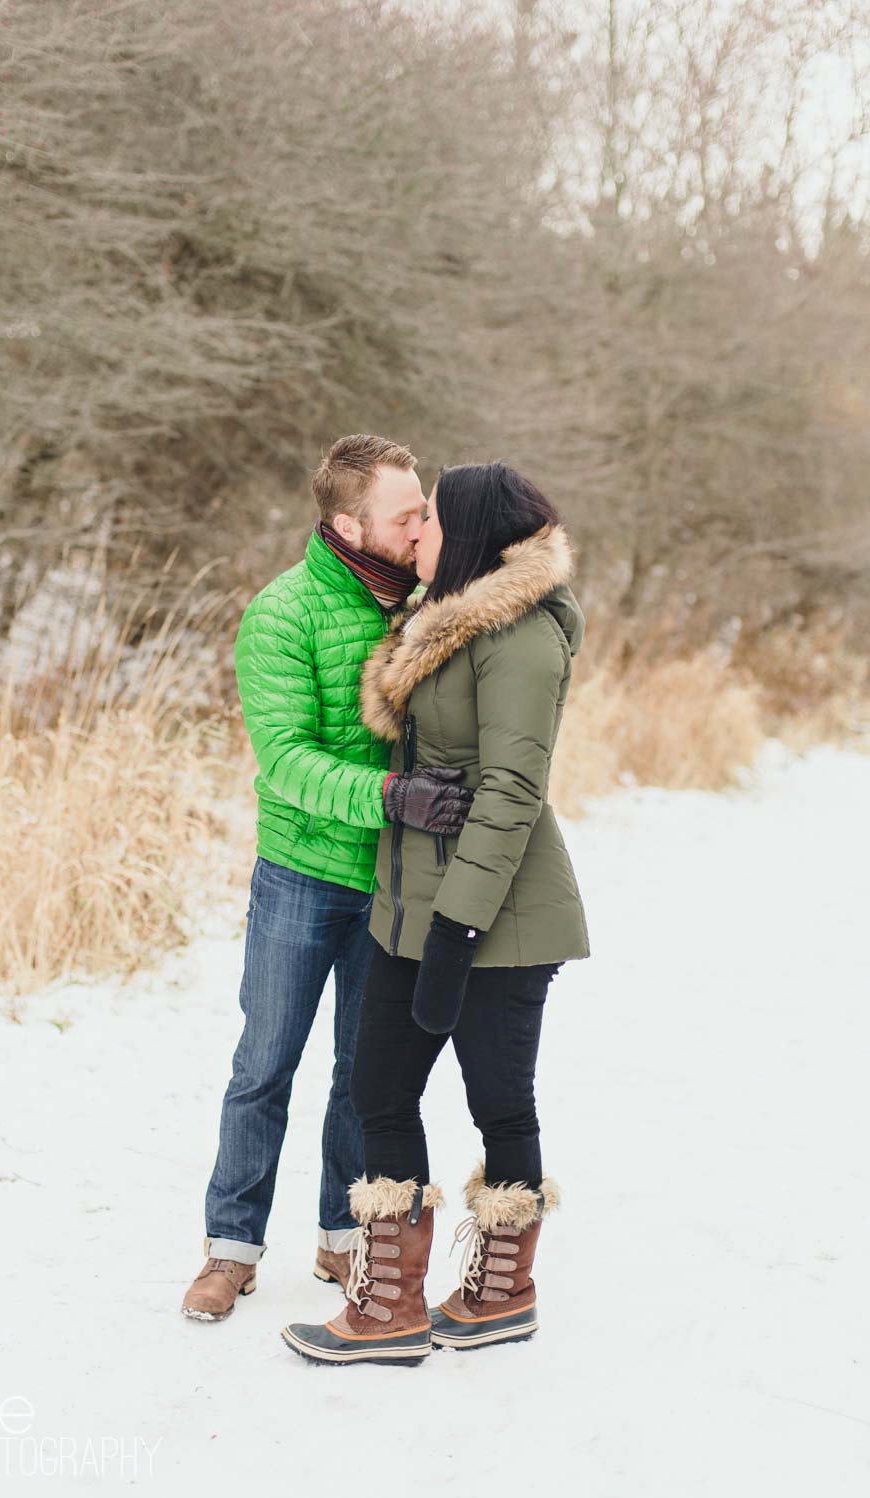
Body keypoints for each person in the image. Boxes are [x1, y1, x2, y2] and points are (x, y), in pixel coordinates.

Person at [281, 460, 590, 1365]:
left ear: (473, 537)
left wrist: (457, 929)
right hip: (411, 907)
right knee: (379, 1088)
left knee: (500, 1101)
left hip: (501, 915)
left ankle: (503, 1290)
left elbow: (509, 796)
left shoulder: (520, 638)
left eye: (432, 522)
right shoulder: (437, 624)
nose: (417, 534)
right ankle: (392, 1307)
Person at [181, 435, 474, 1323]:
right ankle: (230, 1248)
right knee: (264, 1065)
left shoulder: (426, 607)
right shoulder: (283, 614)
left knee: (364, 1073)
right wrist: (392, 793)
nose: (425, 524)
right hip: (303, 878)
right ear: (351, 523)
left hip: (392, 880)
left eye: (423, 508)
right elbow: (286, 763)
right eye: (408, 514)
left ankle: (342, 1237)